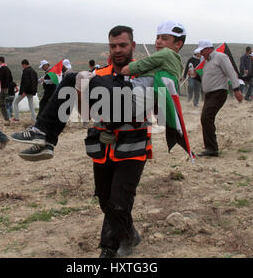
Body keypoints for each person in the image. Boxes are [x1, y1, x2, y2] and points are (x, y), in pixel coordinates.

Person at [11, 22, 187, 257]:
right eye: (113, 46)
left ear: (133, 46)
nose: (118, 50)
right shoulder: (99, 74)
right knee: (105, 201)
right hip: (102, 147)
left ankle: (109, 248)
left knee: (119, 201)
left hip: (132, 146)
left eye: (123, 45)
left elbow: (157, 105)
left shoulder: (146, 71)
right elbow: (85, 110)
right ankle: (129, 235)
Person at [192, 40, 243, 157]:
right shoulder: (206, 62)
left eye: (202, 51)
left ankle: (212, 148)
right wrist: (196, 77)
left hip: (219, 93)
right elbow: (206, 79)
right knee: (206, 118)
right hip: (209, 94)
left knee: (206, 117)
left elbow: (231, 72)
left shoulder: (221, 57)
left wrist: (236, 89)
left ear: (209, 49)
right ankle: (210, 147)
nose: (201, 53)